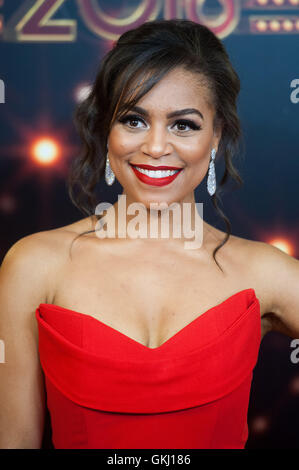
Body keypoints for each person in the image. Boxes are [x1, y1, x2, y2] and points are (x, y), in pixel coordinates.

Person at [0, 18, 298, 450]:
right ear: (107, 131)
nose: (156, 146)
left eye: (183, 125)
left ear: (216, 136)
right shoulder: (33, 264)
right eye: (134, 120)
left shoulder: (264, 271)